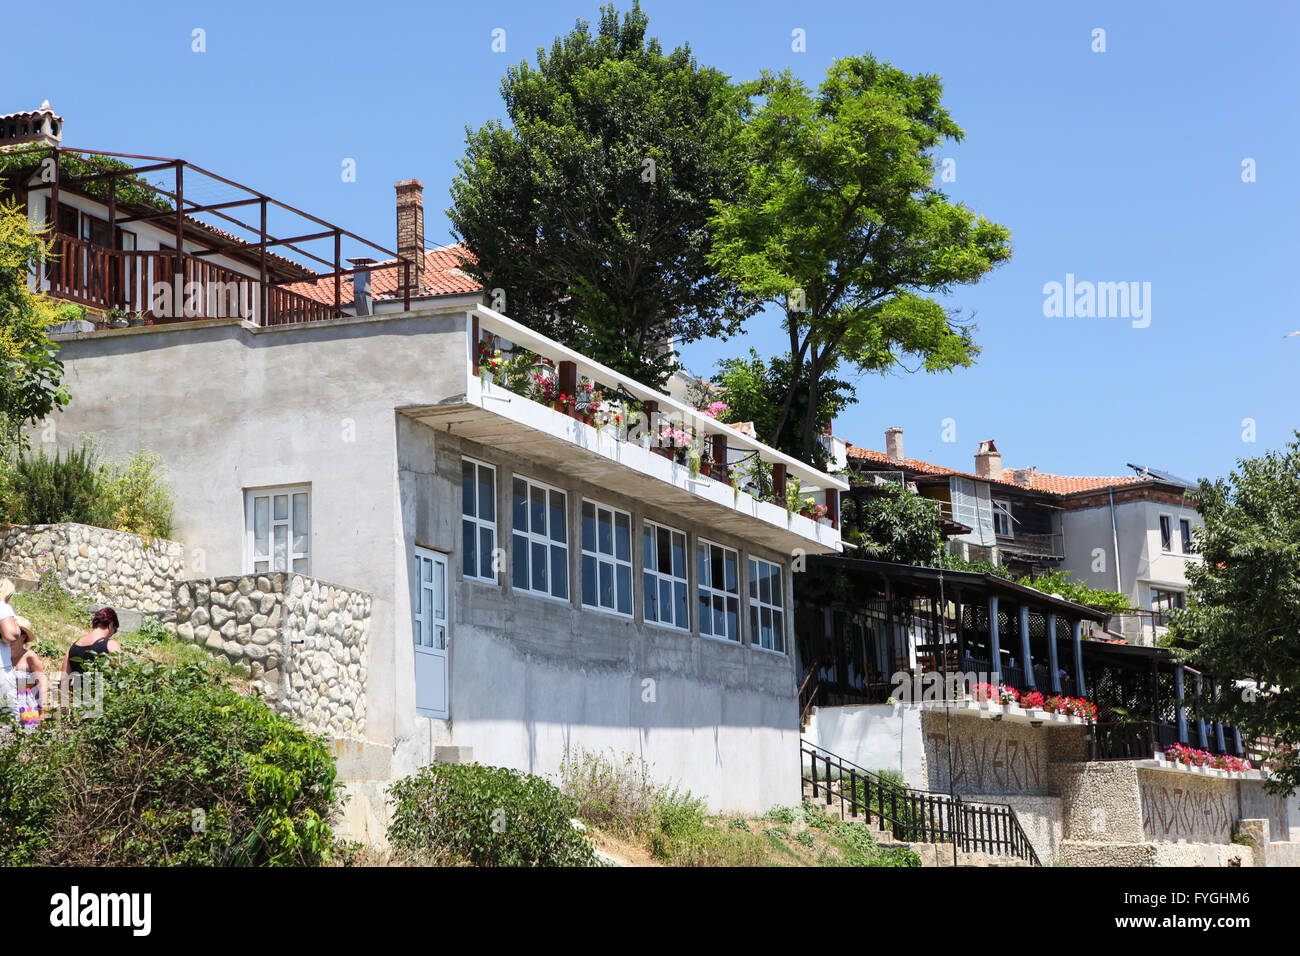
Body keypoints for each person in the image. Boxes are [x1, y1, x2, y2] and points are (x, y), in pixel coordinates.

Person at [6, 616, 46, 730]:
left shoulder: (30, 657)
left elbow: (41, 684)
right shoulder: (3, 657)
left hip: (27, 707)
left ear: (23, 637)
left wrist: (44, 710)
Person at [63, 606, 122, 680]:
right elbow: (121, 676)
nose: (113, 634)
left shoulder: (73, 648)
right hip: (102, 691)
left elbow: (63, 684)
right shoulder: (111, 645)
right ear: (110, 625)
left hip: (78, 691)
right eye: (115, 630)